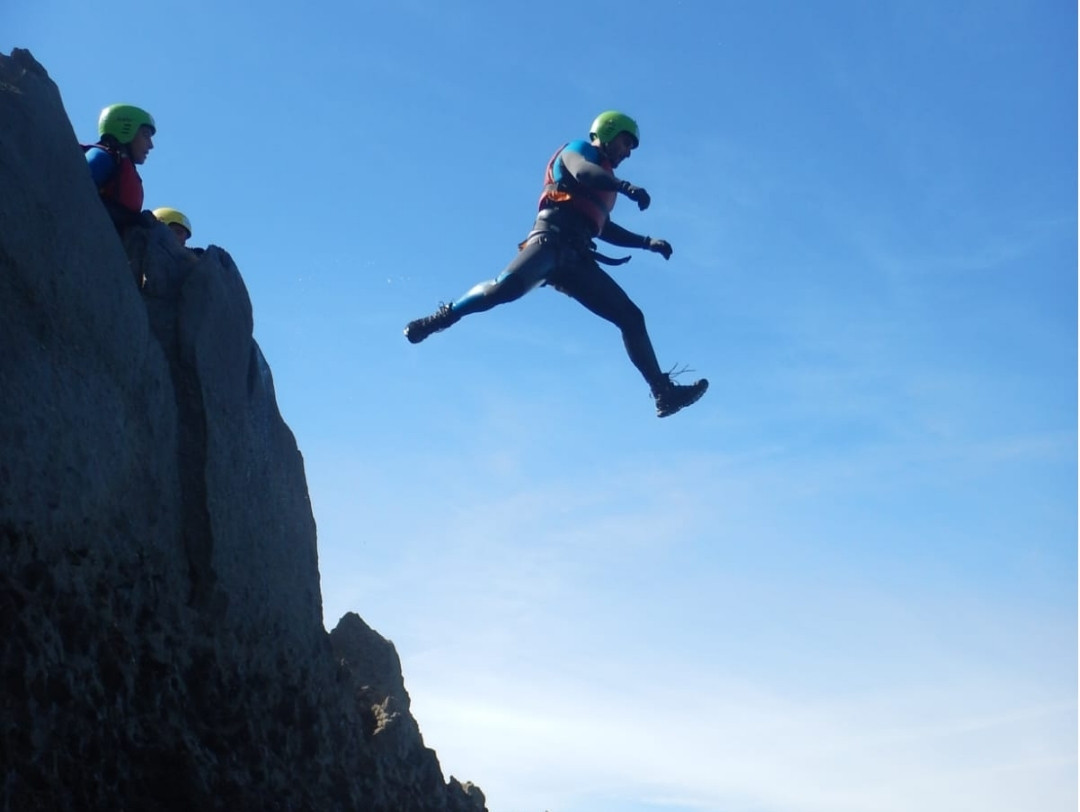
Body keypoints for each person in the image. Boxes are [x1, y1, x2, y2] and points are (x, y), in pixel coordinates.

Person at [403, 111, 708, 418]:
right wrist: (625, 187)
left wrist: (646, 242)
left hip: (578, 260)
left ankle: (662, 393)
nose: (627, 153)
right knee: (504, 289)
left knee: (631, 317)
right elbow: (584, 172)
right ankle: (443, 317)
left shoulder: (607, 184)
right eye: (626, 144)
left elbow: (602, 225)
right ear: (609, 132)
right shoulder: (580, 151)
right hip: (550, 241)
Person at [84, 103, 157, 232]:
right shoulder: (101, 157)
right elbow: (76, 192)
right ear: (126, 129)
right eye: (145, 135)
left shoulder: (120, 163)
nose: (151, 145)